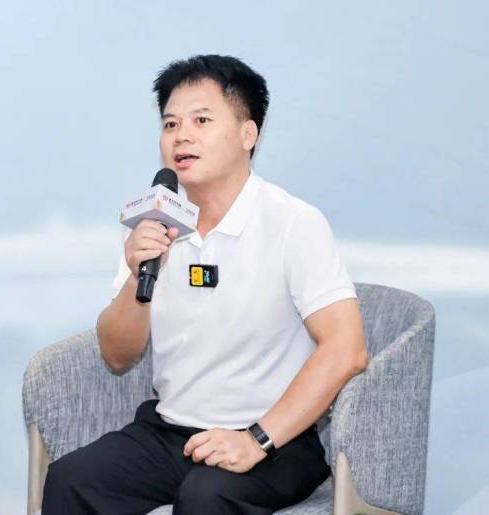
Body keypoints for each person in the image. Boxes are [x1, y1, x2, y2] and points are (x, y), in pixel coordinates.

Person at [41, 54, 369, 515]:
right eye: (171, 124)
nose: (182, 136)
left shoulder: (293, 222)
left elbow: (347, 348)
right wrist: (137, 274)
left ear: (248, 135)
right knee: (72, 480)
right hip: (170, 432)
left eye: (201, 120)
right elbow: (117, 354)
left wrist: (256, 440)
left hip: (275, 440)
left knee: (206, 496)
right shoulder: (153, 223)